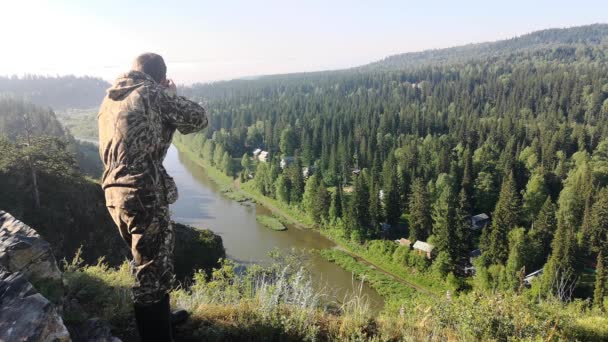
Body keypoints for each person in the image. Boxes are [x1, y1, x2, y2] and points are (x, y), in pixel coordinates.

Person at [98, 53, 208, 341]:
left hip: (113, 192)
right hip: (142, 192)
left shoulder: (110, 99)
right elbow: (198, 119)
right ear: (161, 77)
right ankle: (157, 337)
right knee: (151, 270)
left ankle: (161, 322)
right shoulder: (152, 92)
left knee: (149, 262)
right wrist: (170, 93)